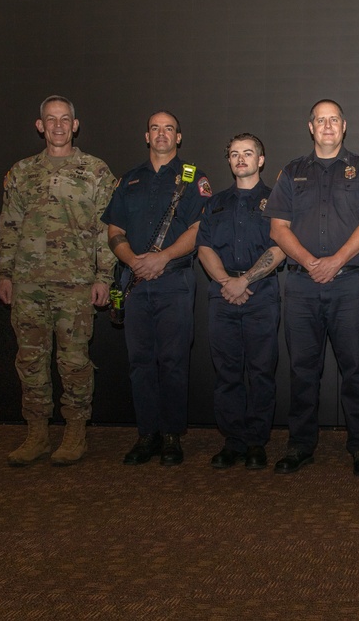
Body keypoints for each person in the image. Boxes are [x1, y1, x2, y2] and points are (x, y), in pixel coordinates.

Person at [264, 99, 359, 477]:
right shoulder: (291, 172)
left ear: (344, 126)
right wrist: (309, 262)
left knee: (356, 371)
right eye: (321, 120)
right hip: (301, 287)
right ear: (311, 127)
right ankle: (301, 445)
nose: (328, 126)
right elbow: (277, 228)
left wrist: (335, 261)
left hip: (350, 286)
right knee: (302, 371)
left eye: (334, 120)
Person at [0, 95, 116, 466]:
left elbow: (106, 231)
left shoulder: (95, 171)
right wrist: (4, 273)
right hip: (28, 283)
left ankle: (75, 432)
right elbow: (9, 226)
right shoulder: (21, 172)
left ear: (75, 125)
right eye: (51, 119)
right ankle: (36, 434)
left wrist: (104, 276)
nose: (59, 126)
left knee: (75, 362)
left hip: (77, 284)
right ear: (40, 125)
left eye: (65, 119)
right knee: (30, 361)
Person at [102, 111, 211, 466]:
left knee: (174, 361)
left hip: (174, 280)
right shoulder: (128, 180)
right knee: (140, 363)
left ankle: (171, 436)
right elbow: (114, 231)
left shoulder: (193, 178)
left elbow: (198, 230)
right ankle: (146, 434)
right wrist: (133, 260)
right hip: (134, 281)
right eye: (154, 128)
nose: (161, 134)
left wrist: (162, 258)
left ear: (178, 137)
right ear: (146, 136)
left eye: (169, 129)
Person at [197, 133, 285, 471]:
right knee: (227, 373)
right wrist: (226, 282)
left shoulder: (276, 202)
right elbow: (204, 246)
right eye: (235, 154)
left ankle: (256, 443)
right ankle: (233, 441)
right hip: (222, 294)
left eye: (248, 153)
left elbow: (279, 248)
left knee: (261, 372)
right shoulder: (215, 203)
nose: (241, 159)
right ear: (229, 161)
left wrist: (244, 281)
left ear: (261, 160)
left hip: (260, 294)